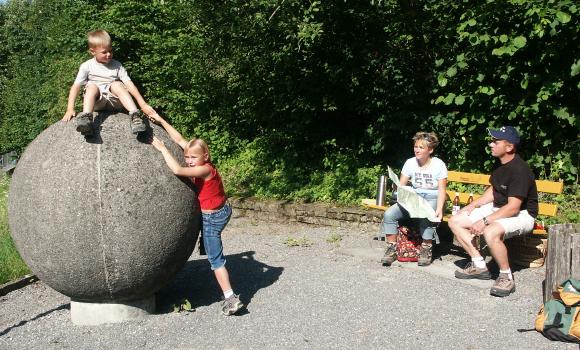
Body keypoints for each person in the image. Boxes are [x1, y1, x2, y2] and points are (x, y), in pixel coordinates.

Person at [149, 113, 243, 316]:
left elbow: (176, 169)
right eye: (187, 157)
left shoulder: (203, 170)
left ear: (205, 157)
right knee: (210, 244)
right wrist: (161, 121)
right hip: (222, 209)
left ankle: (230, 297)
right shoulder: (203, 162)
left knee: (215, 260)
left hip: (213, 218)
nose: (189, 161)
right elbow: (181, 140)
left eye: (193, 157)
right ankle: (206, 242)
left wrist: (162, 148)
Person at [449, 126, 538, 297]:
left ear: (509, 147)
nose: (491, 144)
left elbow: (513, 207)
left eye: (495, 141)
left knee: (490, 231)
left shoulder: (520, 170)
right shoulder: (500, 165)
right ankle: (479, 265)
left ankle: (506, 277)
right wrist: (472, 205)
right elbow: (494, 191)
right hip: (499, 208)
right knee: (455, 220)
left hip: (523, 214)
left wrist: (484, 221)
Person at [62, 29, 156, 136]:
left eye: (110, 51)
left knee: (117, 84)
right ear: (93, 52)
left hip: (114, 101)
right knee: (91, 86)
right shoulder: (87, 66)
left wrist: (142, 104)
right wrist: (70, 108)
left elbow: (130, 84)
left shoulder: (117, 65)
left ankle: (135, 116)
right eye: (104, 52)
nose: (108, 54)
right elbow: (76, 87)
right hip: (97, 101)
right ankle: (86, 118)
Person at [380, 132, 448, 267]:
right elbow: (402, 185)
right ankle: (392, 248)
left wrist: (440, 209)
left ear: (430, 150)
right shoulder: (410, 162)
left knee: (426, 215)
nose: (417, 149)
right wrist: (396, 186)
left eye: (421, 147)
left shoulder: (439, 164)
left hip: (432, 197)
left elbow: (442, 190)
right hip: (414, 197)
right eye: (416, 146)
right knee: (389, 214)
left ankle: (426, 249)